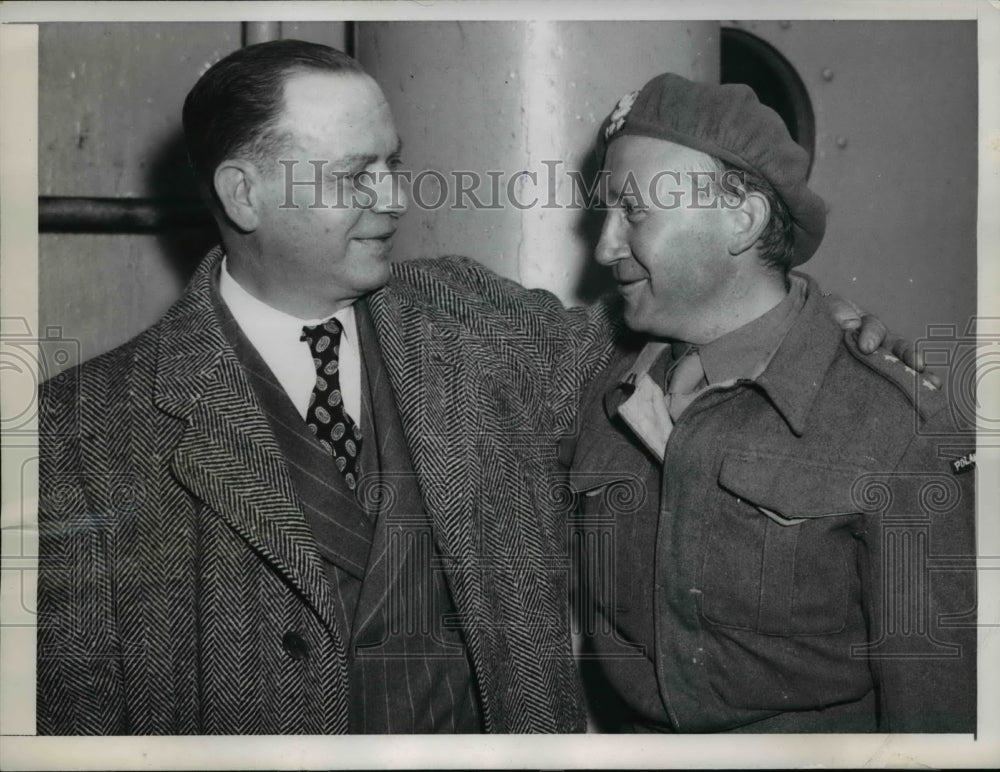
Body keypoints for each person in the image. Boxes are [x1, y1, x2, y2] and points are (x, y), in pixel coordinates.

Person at [37, 41, 911, 735]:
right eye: (355, 175)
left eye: (394, 163)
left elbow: (685, 328)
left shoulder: (471, 322)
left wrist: (812, 326)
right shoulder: (81, 434)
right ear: (244, 194)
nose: (396, 198)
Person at [565, 73, 976, 733]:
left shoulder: (897, 426)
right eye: (605, 214)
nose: (605, 246)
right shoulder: (602, 379)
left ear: (743, 219)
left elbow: (939, 718)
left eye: (634, 212)